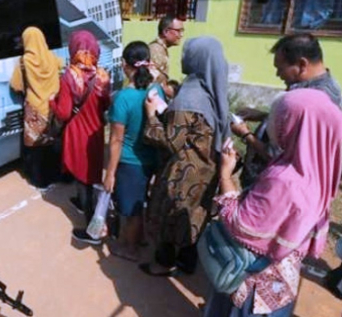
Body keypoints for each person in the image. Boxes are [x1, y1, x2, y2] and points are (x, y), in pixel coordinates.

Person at [205, 89, 342, 317]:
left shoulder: (285, 179)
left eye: (280, 119)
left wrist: (226, 175)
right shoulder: (321, 170)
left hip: (251, 285)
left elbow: (239, 225)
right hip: (280, 284)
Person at [140, 36, 230, 276]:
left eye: (187, 53)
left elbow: (171, 141)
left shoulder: (188, 97)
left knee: (171, 214)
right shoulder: (211, 89)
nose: (182, 57)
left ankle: (163, 264)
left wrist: (151, 115)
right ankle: (187, 262)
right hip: (206, 170)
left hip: (183, 172)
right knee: (194, 215)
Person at [232, 33, 342, 186]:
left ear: (302, 65)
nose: (278, 74)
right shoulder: (311, 90)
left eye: (280, 68)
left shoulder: (313, 100)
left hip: (275, 189)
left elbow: (283, 157)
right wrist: (264, 116)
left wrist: (246, 135)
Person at [103, 41, 163, 261]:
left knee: (131, 209)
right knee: (141, 199)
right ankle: (141, 237)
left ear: (123, 64)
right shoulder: (155, 90)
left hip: (130, 162)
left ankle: (129, 247)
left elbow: (116, 140)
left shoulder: (123, 98)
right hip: (152, 158)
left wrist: (109, 173)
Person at [50, 29, 110, 246]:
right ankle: (81, 200)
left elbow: (65, 113)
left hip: (77, 133)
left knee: (83, 179)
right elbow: (106, 105)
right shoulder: (103, 76)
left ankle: (92, 229)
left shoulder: (69, 76)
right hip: (95, 133)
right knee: (91, 173)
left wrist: (51, 102)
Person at [10, 26, 62, 192]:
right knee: (51, 142)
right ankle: (54, 174)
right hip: (52, 106)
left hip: (34, 108)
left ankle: (39, 180)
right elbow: (62, 66)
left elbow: (15, 84)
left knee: (35, 146)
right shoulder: (52, 57)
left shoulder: (24, 61)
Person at [148, 15, 185, 98]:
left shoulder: (161, 49)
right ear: (166, 32)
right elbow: (152, 82)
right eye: (178, 31)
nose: (181, 35)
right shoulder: (156, 50)